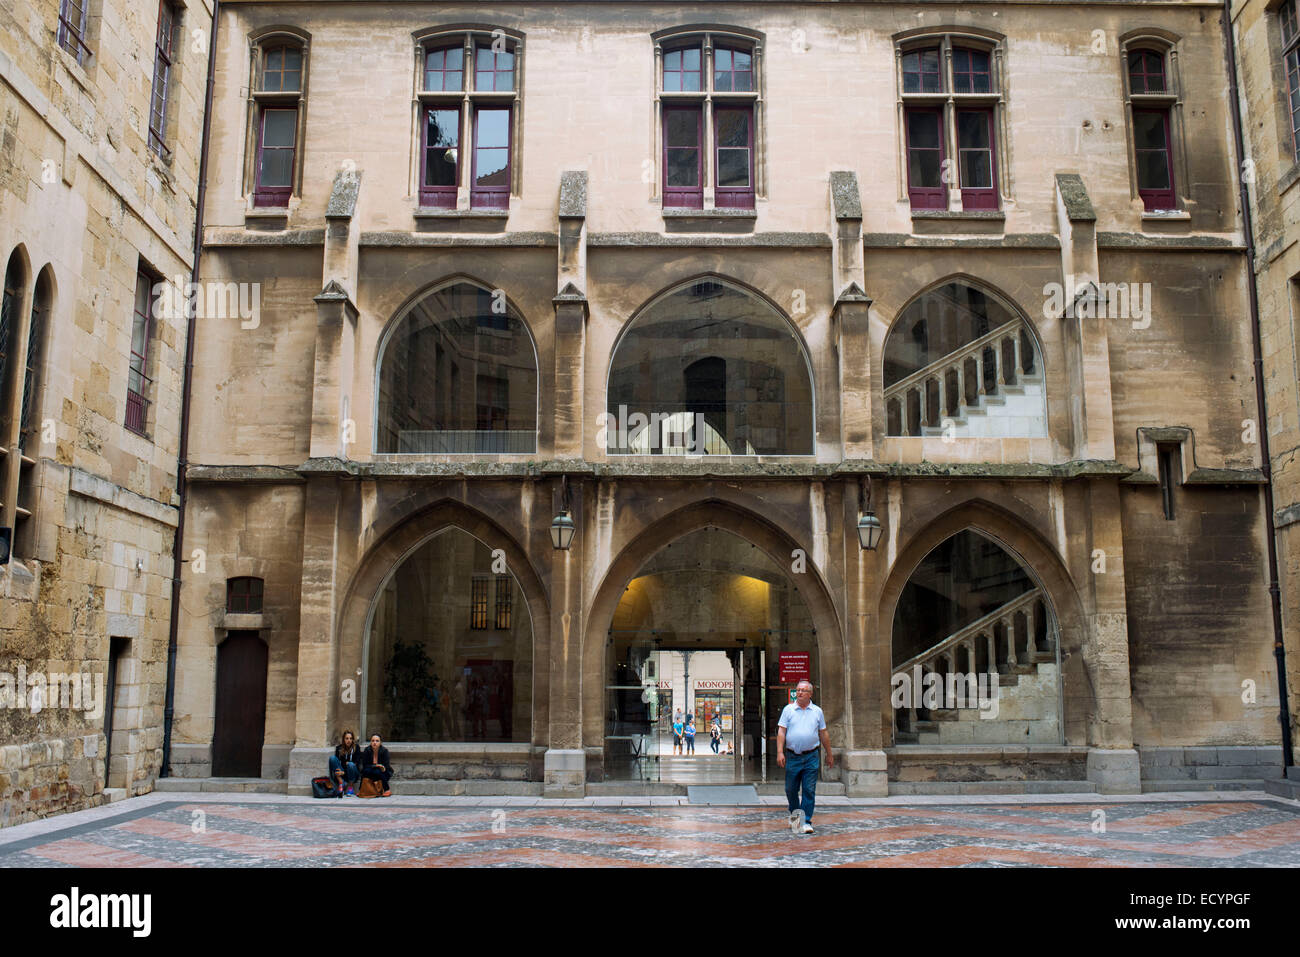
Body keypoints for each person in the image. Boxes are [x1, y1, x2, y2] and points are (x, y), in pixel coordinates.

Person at [776, 680, 833, 834]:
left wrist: (829, 753)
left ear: (810, 694)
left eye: (803, 690)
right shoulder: (788, 710)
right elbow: (781, 732)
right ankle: (796, 819)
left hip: (811, 756)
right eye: (798, 690)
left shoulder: (817, 711)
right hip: (793, 756)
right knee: (791, 789)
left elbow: (823, 733)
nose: (799, 693)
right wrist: (780, 752)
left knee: (808, 789)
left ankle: (806, 821)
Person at [359, 732, 394, 797]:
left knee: (378, 771)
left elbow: (386, 766)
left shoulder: (384, 751)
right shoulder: (367, 750)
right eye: (373, 741)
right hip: (370, 770)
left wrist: (382, 768)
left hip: (382, 771)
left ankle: (387, 789)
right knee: (366, 771)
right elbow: (365, 765)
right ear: (370, 742)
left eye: (377, 741)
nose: (374, 742)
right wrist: (375, 766)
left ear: (380, 742)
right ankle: (361, 789)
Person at [329, 730, 361, 797]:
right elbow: (338, 762)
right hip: (341, 772)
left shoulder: (356, 748)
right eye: (346, 738)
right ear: (343, 739)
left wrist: (344, 772)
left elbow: (356, 763)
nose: (348, 740)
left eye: (350, 738)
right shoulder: (339, 748)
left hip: (352, 773)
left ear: (353, 739)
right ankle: (341, 783)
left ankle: (350, 787)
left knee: (351, 764)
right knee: (332, 758)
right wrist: (342, 770)